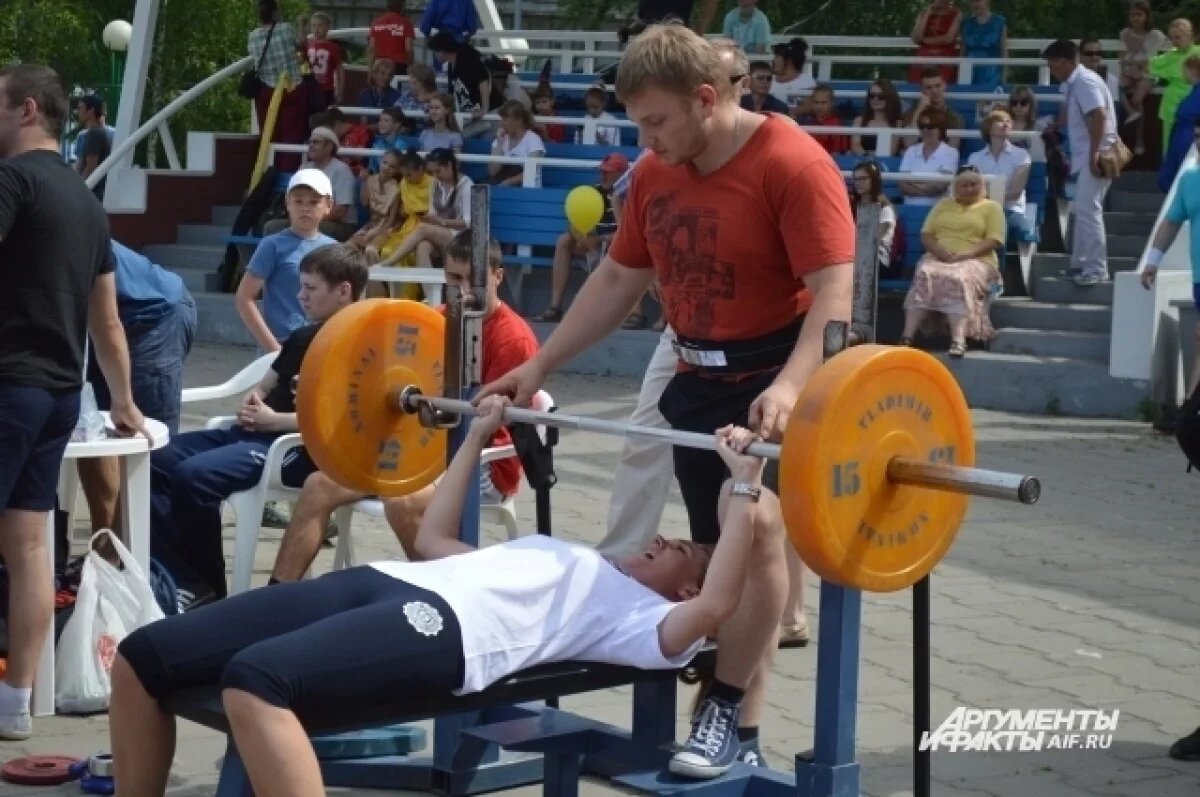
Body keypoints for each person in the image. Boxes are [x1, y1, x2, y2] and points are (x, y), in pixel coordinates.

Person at [478, 24, 854, 778]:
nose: (644, 138)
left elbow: (834, 298)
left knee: (759, 530)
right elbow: (619, 280)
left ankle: (725, 711)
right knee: (723, 552)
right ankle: (732, 719)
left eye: (655, 121)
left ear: (706, 100)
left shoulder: (793, 164)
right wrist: (540, 363)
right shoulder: (656, 172)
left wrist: (787, 384)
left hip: (781, 376)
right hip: (697, 382)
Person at [111, 391, 768, 796]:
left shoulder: (643, 622)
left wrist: (743, 485)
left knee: (254, 680)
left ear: (684, 585)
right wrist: (477, 434)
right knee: (144, 655)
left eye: (682, 548)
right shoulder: (568, 555)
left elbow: (715, 607)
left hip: (449, 628)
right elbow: (430, 540)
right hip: (389, 584)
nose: (663, 539)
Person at [0, 63, 146, 740]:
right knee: (30, 545)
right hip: (61, 391)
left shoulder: (13, 182)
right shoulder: (88, 204)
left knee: (29, 544)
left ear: (26, 110)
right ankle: (15, 703)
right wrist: (124, 402)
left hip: (8, 384)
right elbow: (107, 320)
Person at [268, 231, 539, 583]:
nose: (463, 290)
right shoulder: (438, 319)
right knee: (321, 484)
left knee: (401, 498)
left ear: (497, 276)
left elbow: (497, 424)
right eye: (453, 279)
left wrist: (438, 417)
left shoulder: (513, 339)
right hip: (434, 447)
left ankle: (442, 593)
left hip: (485, 460)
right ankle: (276, 597)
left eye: (472, 280)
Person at [151, 245, 368, 608]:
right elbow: (266, 384)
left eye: (310, 288)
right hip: (254, 433)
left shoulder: (363, 347)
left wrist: (274, 420)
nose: (300, 296)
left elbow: (345, 421)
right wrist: (253, 401)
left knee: (194, 476)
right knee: (158, 459)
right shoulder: (303, 337)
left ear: (344, 291)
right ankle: (174, 573)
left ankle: (206, 589)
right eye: (301, 286)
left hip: (295, 447)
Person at [78, 242, 197, 535]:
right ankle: (105, 550)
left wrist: (125, 399)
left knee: (144, 445)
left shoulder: (44, 225)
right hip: (98, 317)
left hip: (154, 312)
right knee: (90, 431)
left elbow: (107, 324)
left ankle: (148, 560)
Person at [900, 166, 1004, 357]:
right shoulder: (943, 205)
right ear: (956, 188)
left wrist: (964, 255)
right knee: (925, 273)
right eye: (965, 185)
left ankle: (958, 340)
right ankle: (907, 337)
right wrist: (940, 252)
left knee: (958, 276)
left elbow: (994, 239)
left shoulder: (991, 207)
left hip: (977, 259)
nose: (971, 188)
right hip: (939, 256)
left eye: (975, 184)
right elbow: (926, 234)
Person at [237, 169, 338, 353]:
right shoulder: (272, 245)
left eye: (314, 202)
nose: (305, 208)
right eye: (298, 201)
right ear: (288, 203)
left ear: (328, 205)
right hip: (281, 345)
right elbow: (244, 297)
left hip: (320, 347)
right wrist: (272, 347)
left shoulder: (334, 249)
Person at [1043, 38, 1117, 288]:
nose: (1052, 71)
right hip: (1087, 155)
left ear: (1064, 62)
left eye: (1053, 65)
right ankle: (1081, 265)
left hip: (1092, 155)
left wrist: (1094, 154)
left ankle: (1096, 268)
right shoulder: (1079, 82)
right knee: (1084, 211)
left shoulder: (1084, 81)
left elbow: (1099, 116)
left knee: (1089, 212)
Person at [540, 152, 627, 322]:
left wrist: (600, 239)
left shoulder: (628, 195)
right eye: (602, 171)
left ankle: (607, 313)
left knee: (617, 246)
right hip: (593, 245)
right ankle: (555, 306)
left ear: (621, 174)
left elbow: (630, 234)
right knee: (564, 241)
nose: (602, 175)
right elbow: (574, 219)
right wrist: (582, 237)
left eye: (607, 172)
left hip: (615, 247)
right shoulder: (593, 191)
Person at [1140, 151, 1200, 399]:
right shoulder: (1190, 179)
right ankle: (1192, 413)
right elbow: (1171, 222)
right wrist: (1153, 260)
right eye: (1197, 136)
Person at [1119, 0, 1166, 156]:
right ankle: (1131, 112)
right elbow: (1123, 54)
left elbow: (1148, 59)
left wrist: (1130, 61)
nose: (1135, 18)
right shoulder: (1125, 33)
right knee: (1117, 87)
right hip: (1131, 71)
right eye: (1132, 15)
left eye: (1139, 15)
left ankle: (1140, 140)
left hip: (1147, 72)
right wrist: (1127, 65)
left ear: (1146, 16)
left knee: (1137, 99)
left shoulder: (1155, 35)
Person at [1150, 19, 1200, 153]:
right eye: (1172, 37)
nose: (1174, 41)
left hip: (1195, 106)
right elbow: (1149, 65)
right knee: (1170, 147)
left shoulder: (1198, 52)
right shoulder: (1169, 56)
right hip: (1171, 108)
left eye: (1178, 37)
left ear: (1190, 35)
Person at [909, 0, 961, 85]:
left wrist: (925, 40)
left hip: (945, 55)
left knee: (940, 78)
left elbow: (948, 39)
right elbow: (916, 38)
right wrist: (927, 15)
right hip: (924, 55)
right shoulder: (924, 13)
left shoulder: (956, 14)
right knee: (917, 75)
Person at [960, 0, 1007, 90]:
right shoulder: (966, 23)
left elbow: (1003, 51)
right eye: (972, 2)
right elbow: (963, 51)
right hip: (970, 70)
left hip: (992, 71)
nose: (974, 5)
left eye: (977, 1)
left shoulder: (999, 22)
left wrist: (1004, 76)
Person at [74, 94, 111, 201]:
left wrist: (79, 190)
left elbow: (91, 167)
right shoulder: (97, 132)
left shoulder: (94, 133)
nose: (78, 111)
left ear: (91, 110)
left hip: (95, 194)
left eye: (81, 108)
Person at [305, 12, 343, 109]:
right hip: (309, 89)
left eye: (319, 26)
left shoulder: (333, 47)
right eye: (313, 26)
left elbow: (340, 71)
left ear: (327, 27)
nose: (316, 29)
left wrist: (339, 91)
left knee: (324, 118)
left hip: (326, 90)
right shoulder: (308, 45)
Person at [366, 0, 415, 75]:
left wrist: (370, 69)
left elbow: (372, 48)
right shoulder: (406, 23)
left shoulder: (376, 23)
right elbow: (409, 49)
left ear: (387, 7)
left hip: (380, 65)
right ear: (402, 7)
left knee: (380, 86)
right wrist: (411, 65)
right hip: (399, 66)